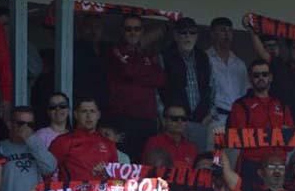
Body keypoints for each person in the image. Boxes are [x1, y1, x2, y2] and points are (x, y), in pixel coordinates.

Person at [47, 97, 119, 191]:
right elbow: (47, 173)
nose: (88, 116)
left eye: (92, 111)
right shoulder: (63, 141)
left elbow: (115, 179)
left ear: (98, 115)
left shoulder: (108, 144)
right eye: (84, 111)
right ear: (75, 114)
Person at [227, 59, 294, 186]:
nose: (261, 78)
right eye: (256, 75)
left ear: (271, 77)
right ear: (250, 79)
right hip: (253, 165)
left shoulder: (282, 104)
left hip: (279, 166)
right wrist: (277, 134)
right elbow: (238, 139)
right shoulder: (240, 105)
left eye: (265, 74)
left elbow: (290, 144)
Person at [105, 14, 164, 159]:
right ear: (122, 31)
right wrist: (144, 73)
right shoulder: (115, 51)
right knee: (125, 164)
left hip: (147, 120)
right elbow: (128, 71)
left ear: (142, 31)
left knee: (145, 165)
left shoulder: (147, 53)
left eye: (137, 29)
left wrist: (136, 73)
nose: (133, 33)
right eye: (128, 29)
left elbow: (160, 79)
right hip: (124, 120)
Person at [157, 17, 212, 151]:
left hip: (200, 121)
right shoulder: (164, 56)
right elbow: (157, 91)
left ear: (197, 36)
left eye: (192, 33)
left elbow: (211, 88)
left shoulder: (203, 57)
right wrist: (163, 118)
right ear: (175, 35)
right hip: (173, 122)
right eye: (183, 33)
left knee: (198, 162)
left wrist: (209, 116)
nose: (188, 36)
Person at [206, 17, 248, 134]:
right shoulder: (205, 59)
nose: (227, 34)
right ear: (213, 34)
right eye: (222, 30)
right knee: (216, 152)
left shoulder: (239, 64)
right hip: (215, 119)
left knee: (236, 152)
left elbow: (245, 93)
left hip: (237, 119)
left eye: (229, 31)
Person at [144, 102, 198, 170]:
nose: (180, 121)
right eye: (174, 119)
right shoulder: (154, 142)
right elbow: (148, 170)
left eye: (183, 119)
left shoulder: (192, 148)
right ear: (164, 121)